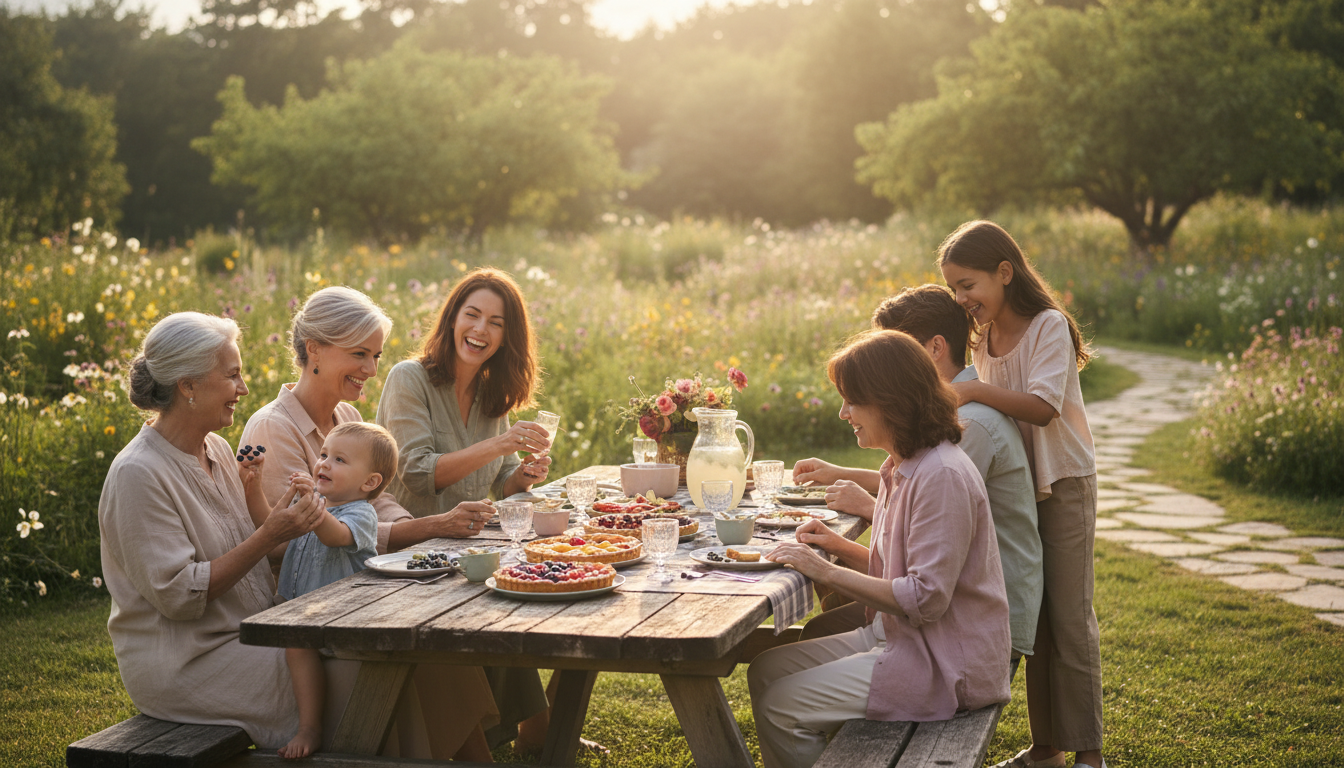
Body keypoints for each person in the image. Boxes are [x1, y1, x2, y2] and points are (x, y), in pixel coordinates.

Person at [241, 286, 499, 761]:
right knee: (419, 646)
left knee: (438, 627)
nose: (371, 370)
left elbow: (373, 503)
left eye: (376, 355)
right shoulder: (273, 427)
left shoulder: (346, 415)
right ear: (313, 349)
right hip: (308, 600)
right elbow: (281, 540)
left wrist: (427, 529)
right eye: (359, 354)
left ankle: (475, 753)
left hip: (352, 587)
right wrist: (428, 528)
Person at [749, 330, 1011, 768]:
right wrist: (833, 548)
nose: (842, 412)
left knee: (782, 705)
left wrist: (825, 570)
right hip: (898, 636)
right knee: (765, 671)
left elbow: (925, 598)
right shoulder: (900, 465)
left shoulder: (941, 474)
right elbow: (895, 570)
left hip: (944, 663)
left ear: (889, 400)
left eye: (852, 400)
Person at [99, 312, 324, 749]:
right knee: (351, 673)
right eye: (232, 375)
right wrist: (269, 535)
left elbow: (246, 553)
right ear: (188, 385)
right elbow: (181, 596)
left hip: (252, 632)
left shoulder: (218, 449)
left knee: (383, 659)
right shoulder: (137, 474)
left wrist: (288, 522)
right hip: (189, 662)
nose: (242, 389)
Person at [793, 285, 1042, 664]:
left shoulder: (970, 422)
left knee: (827, 628)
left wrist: (869, 505)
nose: (886, 360)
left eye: (897, 345)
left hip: (975, 616)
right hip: (945, 595)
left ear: (934, 348)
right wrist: (845, 480)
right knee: (823, 627)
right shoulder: (949, 411)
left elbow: (933, 497)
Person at [939, 220, 1103, 768]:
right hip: (1020, 487)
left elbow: (1041, 406)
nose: (962, 299)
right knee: (1033, 619)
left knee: (1070, 621)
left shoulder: (1047, 326)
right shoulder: (984, 338)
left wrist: (973, 389)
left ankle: (1090, 753)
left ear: (1004, 273)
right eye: (955, 289)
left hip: (1063, 483)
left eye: (969, 285)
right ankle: (1046, 748)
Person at [375, 267, 557, 752]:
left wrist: (525, 474)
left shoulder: (491, 393)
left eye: (495, 322)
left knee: (527, 601)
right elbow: (417, 472)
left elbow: (503, 480)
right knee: (507, 603)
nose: (480, 330)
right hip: (411, 558)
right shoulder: (408, 379)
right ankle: (512, 739)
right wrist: (500, 445)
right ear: (452, 318)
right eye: (471, 315)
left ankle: (539, 738)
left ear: (507, 336)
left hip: (468, 550)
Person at [276, 422, 394, 759]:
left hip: (344, 612)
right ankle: (309, 726)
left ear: (369, 482)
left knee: (297, 645)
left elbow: (335, 535)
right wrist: (252, 487)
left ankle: (310, 727)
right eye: (324, 454)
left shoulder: (362, 513)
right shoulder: (317, 504)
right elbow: (272, 527)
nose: (324, 463)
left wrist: (309, 503)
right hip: (307, 610)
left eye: (340, 460)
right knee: (297, 641)